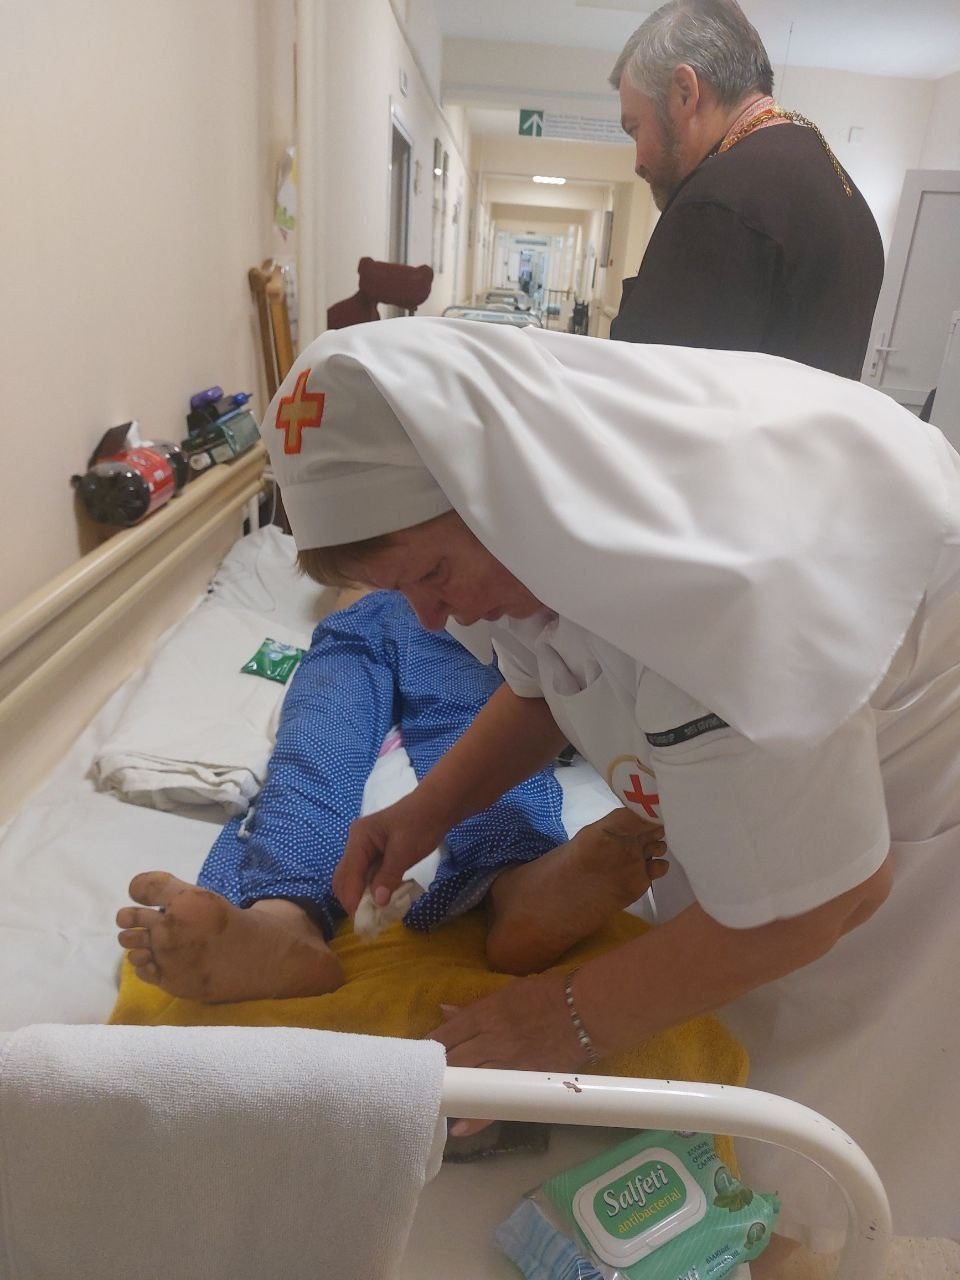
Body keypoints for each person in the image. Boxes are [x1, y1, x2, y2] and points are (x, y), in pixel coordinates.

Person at [257, 316, 960, 1245]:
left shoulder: (719, 586)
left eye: (432, 575)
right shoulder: (527, 531)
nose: (429, 620)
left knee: (838, 1137)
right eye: (403, 592)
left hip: (921, 785)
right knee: (726, 1001)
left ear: (501, 496)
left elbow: (828, 899)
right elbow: (549, 680)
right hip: (772, 773)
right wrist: (426, 810)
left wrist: (563, 1020)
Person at [115, 587, 667, 1004]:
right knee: (324, 745)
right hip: (359, 628)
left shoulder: (458, 590)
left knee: (455, 745)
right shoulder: (360, 578)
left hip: (454, 631)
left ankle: (513, 882)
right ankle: (281, 922)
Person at [608, 0, 884, 379]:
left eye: (635, 129)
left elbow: (647, 389)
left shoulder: (716, 204)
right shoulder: (840, 189)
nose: (638, 162)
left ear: (685, 93)